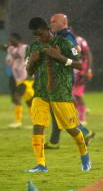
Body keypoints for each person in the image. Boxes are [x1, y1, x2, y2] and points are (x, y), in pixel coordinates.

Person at [25, 17, 91, 173]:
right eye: (36, 36)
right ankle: (41, 164)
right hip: (41, 92)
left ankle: (85, 156)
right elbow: (29, 72)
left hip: (60, 93)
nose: (39, 38)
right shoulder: (35, 46)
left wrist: (60, 57)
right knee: (38, 127)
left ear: (48, 29)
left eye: (41, 34)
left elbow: (79, 64)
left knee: (72, 129)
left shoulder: (65, 44)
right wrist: (31, 62)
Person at [44, 13, 94, 149]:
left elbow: (78, 63)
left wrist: (59, 57)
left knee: (61, 112)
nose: (51, 24)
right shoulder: (58, 37)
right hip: (56, 79)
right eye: (50, 21)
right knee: (56, 112)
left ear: (64, 23)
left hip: (63, 80)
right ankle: (54, 142)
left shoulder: (67, 38)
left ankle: (86, 133)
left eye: (54, 21)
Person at [73, 34, 93, 125]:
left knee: (77, 94)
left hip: (81, 70)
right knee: (72, 94)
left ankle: (82, 117)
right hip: (73, 70)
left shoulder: (79, 40)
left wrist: (87, 70)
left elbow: (88, 55)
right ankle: (82, 110)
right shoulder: (64, 39)